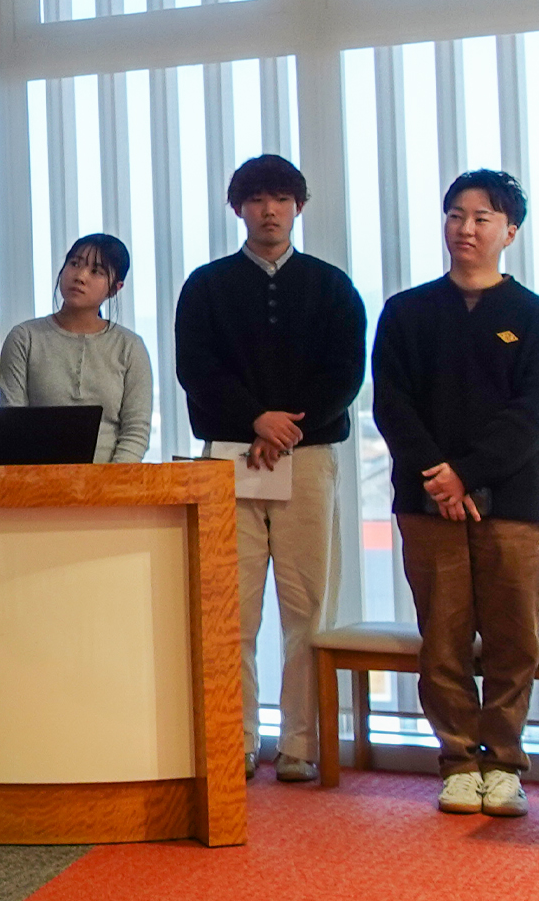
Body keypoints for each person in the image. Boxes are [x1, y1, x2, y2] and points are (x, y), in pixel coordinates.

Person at [372, 170, 539, 819]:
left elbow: (532, 414)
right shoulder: (406, 312)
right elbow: (393, 406)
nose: (466, 228)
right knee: (444, 638)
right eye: (456, 214)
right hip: (426, 499)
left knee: (514, 639)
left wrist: (468, 474)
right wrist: (439, 475)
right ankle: (457, 761)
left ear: (511, 231)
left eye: (483, 217)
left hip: (513, 499)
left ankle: (503, 764)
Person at [175, 154, 366, 784]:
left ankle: (301, 743)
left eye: (281, 199)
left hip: (307, 457)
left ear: (298, 207)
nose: (269, 211)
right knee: (232, 608)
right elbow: (195, 369)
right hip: (230, 456)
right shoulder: (205, 285)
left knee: (307, 607)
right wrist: (256, 418)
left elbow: (345, 372)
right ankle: (236, 737)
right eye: (257, 199)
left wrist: (286, 428)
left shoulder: (333, 286)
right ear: (238, 208)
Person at [0, 233, 152, 463]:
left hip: (110, 479)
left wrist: (110, 480)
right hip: (36, 478)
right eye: (74, 264)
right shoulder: (25, 338)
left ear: (115, 288)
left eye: (96, 271)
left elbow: (136, 430)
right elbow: (12, 423)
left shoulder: (130, 347)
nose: (80, 276)